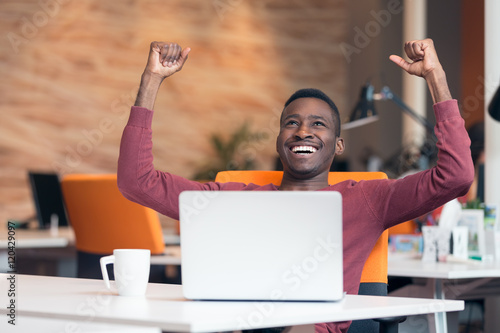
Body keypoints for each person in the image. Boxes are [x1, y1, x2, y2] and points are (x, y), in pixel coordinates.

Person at [117, 39, 474, 333]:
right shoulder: (233, 199)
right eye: (292, 122)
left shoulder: (369, 198)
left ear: (338, 144)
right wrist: (151, 80)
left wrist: (435, 77)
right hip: (237, 324)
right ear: (279, 141)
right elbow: (137, 181)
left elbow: (456, 176)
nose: (303, 131)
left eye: (318, 124)